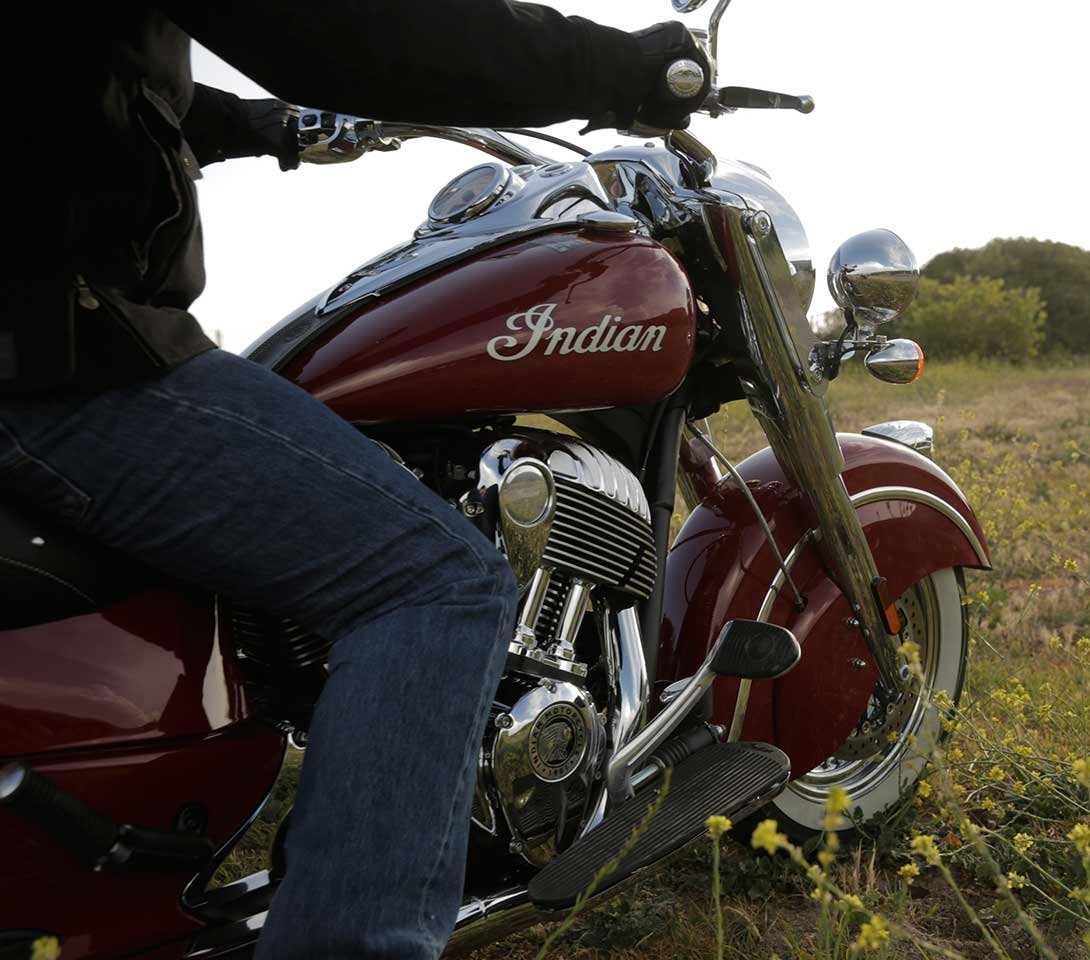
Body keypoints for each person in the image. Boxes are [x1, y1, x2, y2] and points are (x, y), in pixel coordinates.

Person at [0, 4, 705, 958]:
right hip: (59, 358)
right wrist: (617, 66)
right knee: (440, 583)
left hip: (51, 337)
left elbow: (74, 84)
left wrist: (265, 127)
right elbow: (341, 21)